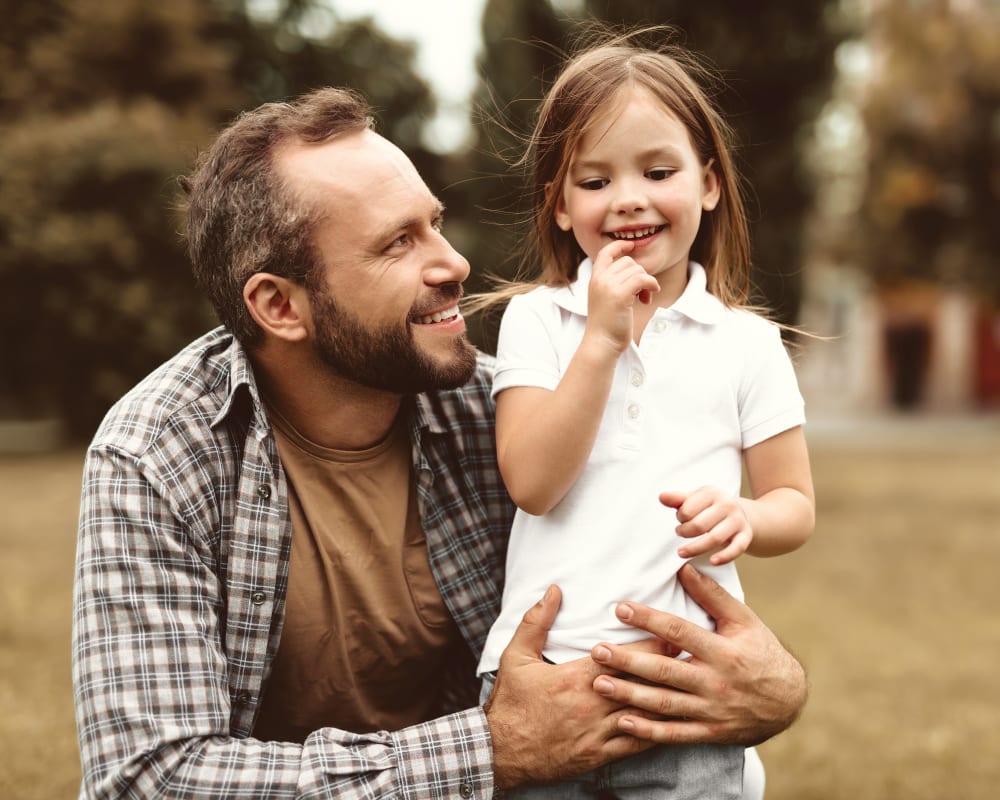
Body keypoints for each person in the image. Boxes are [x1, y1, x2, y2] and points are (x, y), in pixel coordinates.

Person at [72, 86, 808, 799]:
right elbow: (151, 780)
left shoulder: (495, 410)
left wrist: (778, 689)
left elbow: (699, 539)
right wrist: (492, 750)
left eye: (434, 222)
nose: (454, 263)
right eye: (398, 243)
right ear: (278, 305)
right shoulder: (156, 458)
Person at [475, 32, 816, 800]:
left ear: (709, 185)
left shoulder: (747, 345)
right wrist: (600, 340)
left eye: (657, 171)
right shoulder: (538, 322)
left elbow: (794, 505)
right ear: (561, 209)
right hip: (548, 684)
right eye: (594, 181)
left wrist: (747, 519)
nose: (627, 196)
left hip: (688, 688)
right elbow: (532, 482)